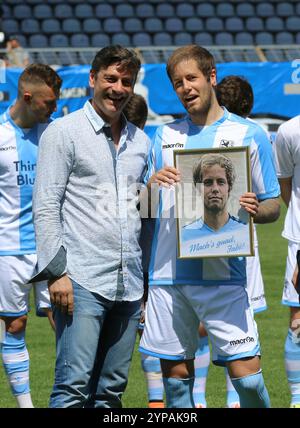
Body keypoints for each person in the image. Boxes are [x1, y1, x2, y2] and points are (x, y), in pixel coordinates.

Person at [139, 44, 280, 408]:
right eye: (177, 83)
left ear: (211, 77)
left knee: (248, 380)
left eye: (191, 78)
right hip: (168, 277)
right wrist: (150, 189)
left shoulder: (251, 134)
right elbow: (144, 210)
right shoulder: (164, 135)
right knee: (176, 383)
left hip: (225, 275)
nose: (185, 88)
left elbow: (272, 206)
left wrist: (255, 208)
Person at [31, 45, 150, 408]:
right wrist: (57, 272)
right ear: (92, 79)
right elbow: (46, 205)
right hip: (80, 279)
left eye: (126, 81)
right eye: (110, 79)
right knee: (72, 389)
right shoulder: (63, 132)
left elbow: (141, 210)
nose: (117, 88)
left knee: (110, 394)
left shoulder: (141, 142)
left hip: (128, 283)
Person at [0, 63, 62, 408]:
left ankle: (74, 396)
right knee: (14, 325)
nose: (53, 109)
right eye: (48, 103)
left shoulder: (54, 133)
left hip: (52, 245)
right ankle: (26, 406)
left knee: (65, 321)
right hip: (8, 248)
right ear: (27, 97)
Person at [273, 115, 300, 408]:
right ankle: (297, 399)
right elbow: (286, 189)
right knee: (298, 324)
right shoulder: (289, 131)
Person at [181, 153, 249, 258]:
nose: (215, 189)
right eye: (208, 183)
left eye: (221, 182)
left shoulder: (244, 231)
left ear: (229, 187)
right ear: (198, 188)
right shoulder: (184, 234)